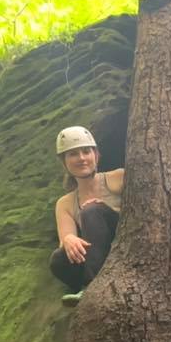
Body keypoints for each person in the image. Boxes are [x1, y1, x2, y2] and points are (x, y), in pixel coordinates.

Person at [50, 126, 123, 306]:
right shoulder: (65, 203)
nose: (81, 158)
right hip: (96, 256)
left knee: (91, 211)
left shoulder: (117, 178)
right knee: (58, 259)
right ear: (64, 161)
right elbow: (66, 239)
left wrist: (101, 209)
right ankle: (88, 285)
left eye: (86, 151)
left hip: (123, 243)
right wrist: (68, 239)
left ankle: (91, 287)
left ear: (96, 155)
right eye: (73, 154)